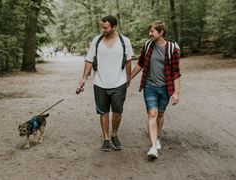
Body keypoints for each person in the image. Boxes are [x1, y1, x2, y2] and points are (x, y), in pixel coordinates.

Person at [76, 15, 134, 152]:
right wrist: (84, 78)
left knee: (117, 111)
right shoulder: (97, 41)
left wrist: (128, 78)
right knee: (103, 112)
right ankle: (106, 139)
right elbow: (89, 60)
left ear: (114, 27)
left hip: (119, 83)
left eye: (106, 27)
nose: (103, 30)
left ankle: (114, 134)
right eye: (102, 27)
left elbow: (128, 61)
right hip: (100, 83)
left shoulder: (124, 41)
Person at [131, 20, 181, 159]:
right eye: (150, 31)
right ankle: (153, 147)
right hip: (150, 86)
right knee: (152, 114)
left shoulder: (172, 49)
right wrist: (128, 79)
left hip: (165, 87)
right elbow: (140, 64)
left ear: (161, 32)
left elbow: (176, 72)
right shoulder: (148, 46)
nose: (150, 34)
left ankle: (156, 137)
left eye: (152, 31)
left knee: (160, 114)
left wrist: (176, 93)